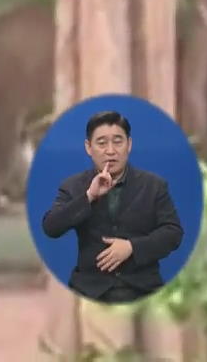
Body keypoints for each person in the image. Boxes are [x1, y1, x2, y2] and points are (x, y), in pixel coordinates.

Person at [40, 110, 184, 304]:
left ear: (129, 145)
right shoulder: (73, 186)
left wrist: (132, 247)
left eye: (118, 141)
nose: (110, 150)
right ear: (88, 148)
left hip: (143, 290)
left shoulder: (154, 185)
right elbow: (51, 227)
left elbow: (173, 233)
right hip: (89, 291)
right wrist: (89, 196)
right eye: (101, 143)